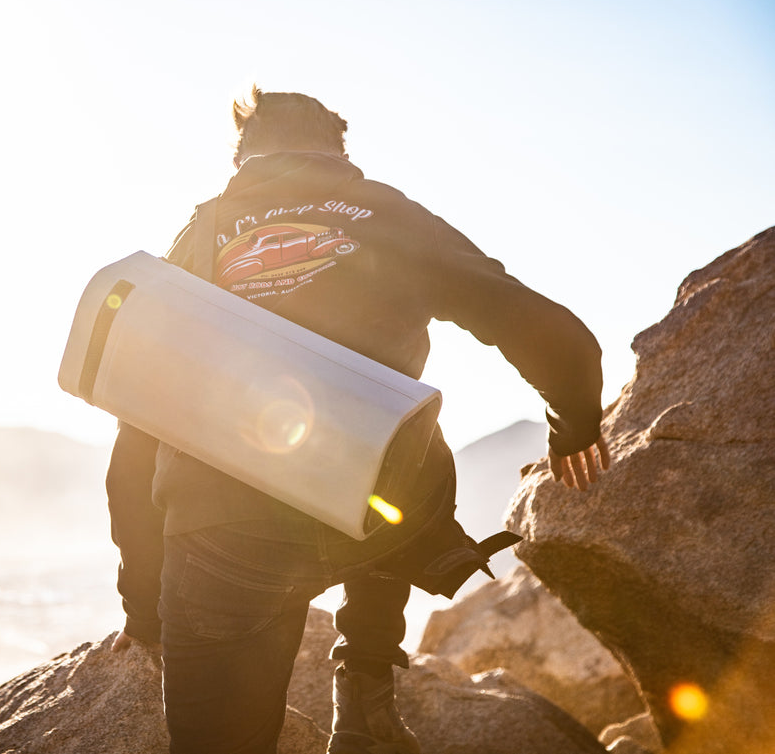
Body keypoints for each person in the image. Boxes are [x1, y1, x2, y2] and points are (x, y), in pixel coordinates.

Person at [104, 86, 609, 754]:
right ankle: (366, 688)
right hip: (381, 513)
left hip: (227, 539)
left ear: (241, 157)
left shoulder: (195, 242)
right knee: (399, 439)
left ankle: (358, 687)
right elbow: (532, 321)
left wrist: (145, 606)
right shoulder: (382, 212)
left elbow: (140, 424)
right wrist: (573, 422)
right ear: (338, 152)